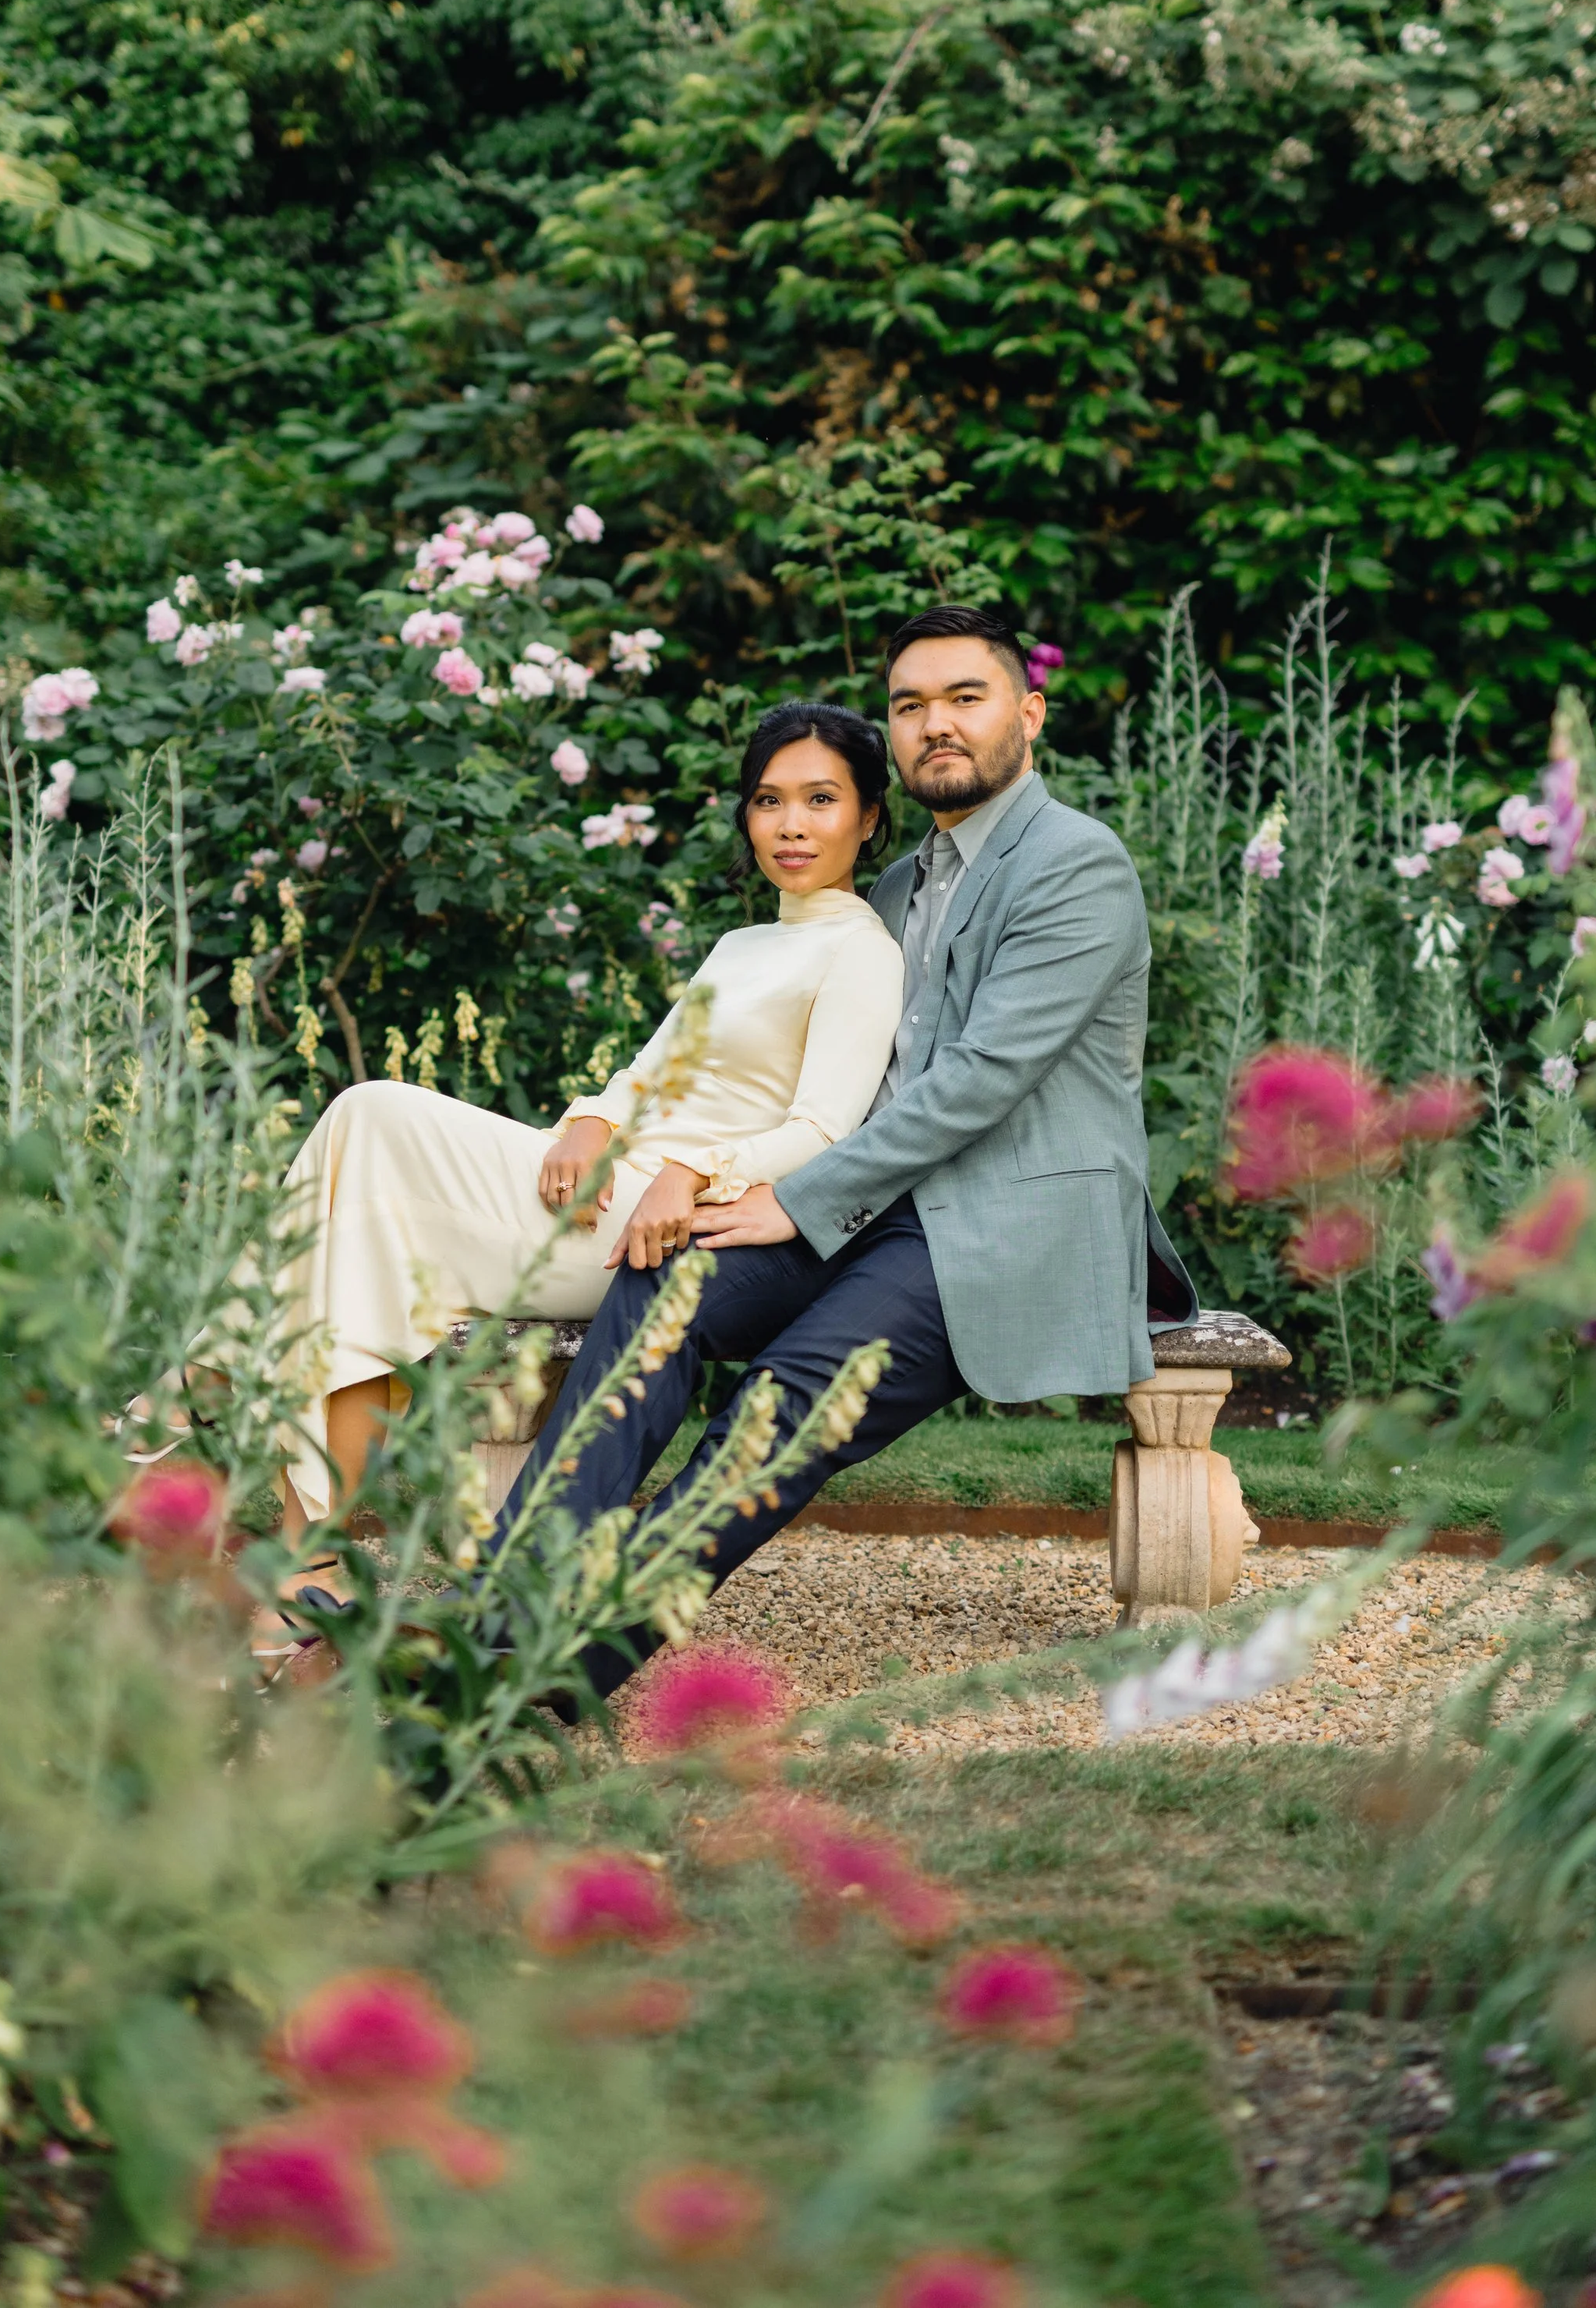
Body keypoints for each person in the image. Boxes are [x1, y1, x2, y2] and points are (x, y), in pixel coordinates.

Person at [511, 601, 1198, 1693]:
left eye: (965, 698)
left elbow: (982, 1081)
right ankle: (507, 1604)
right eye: (911, 705)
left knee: (786, 1398)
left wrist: (795, 1197)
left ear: (1029, 711)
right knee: (668, 1278)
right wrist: (716, 1169)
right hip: (888, 1209)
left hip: (1013, 1223)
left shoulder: (1076, 865)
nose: (937, 724)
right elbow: (843, 1087)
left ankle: (563, 1662)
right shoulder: (895, 889)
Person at [257, 702, 904, 1636]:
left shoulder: (862, 952)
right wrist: (590, 1121)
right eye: (769, 801)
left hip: (657, 1222)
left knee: (369, 1124)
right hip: (608, 1185)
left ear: (869, 816)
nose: (792, 825)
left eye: (821, 799)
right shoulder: (745, 944)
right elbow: (646, 1074)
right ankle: (308, 1556)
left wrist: (691, 1172)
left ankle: (293, 1529)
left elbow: (824, 1128)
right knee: (357, 1199)